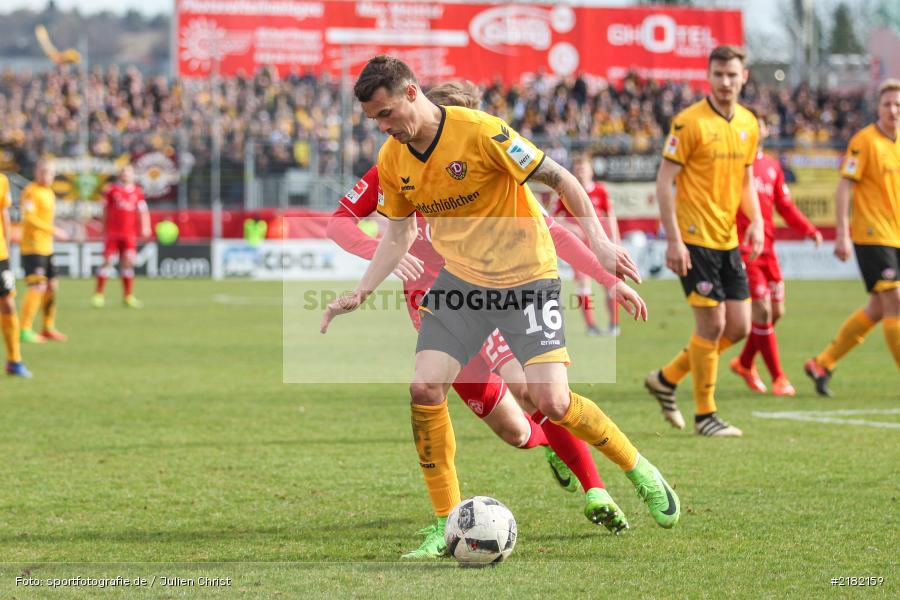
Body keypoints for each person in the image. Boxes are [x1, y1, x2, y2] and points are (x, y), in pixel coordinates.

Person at [321, 55, 681, 558]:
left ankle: (633, 467)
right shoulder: (392, 157)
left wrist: (601, 252)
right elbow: (397, 232)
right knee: (426, 387)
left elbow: (561, 184)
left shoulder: (485, 133)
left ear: (410, 94)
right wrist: (361, 291)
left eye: (384, 115)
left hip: (525, 279)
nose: (382, 128)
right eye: (373, 121)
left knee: (550, 401)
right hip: (459, 286)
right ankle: (446, 523)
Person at [644, 45, 764, 437]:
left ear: (743, 77)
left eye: (732, 74)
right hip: (695, 240)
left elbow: (747, 179)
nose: (725, 82)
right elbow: (665, 180)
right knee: (711, 325)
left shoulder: (749, 123)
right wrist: (674, 239)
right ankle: (705, 414)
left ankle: (667, 377)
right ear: (708, 76)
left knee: (740, 327)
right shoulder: (688, 122)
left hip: (728, 239)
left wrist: (757, 221)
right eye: (718, 74)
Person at [805, 79, 900, 394]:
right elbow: (845, 185)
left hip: (896, 235)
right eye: (887, 104)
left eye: (898, 104)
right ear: (878, 107)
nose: (893, 110)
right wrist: (842, 233)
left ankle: (822, 363)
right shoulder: (865, 141)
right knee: (895, 302)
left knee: (878, 308)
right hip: (872, 234)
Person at [730, 111, 822, 396]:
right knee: (763, 310)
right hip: (746, 250)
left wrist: (809, 229)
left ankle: (745, 362)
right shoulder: (734, 166)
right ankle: (779, 378)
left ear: (766, 130)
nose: (756, 129)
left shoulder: (771, 166)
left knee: (776, 312)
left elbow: (786, 206)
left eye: (761, 125)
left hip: (769, 251)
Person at [553, 153, 621, 336]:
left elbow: (610, 216)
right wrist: (570, 227)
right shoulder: (567, 192)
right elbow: (553, 219)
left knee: (610, 284)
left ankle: (614, 324)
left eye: (583, 168)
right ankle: (591, 326)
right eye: (577, 170)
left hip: (599, 246)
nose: (580, 172)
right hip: (579, 247)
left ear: (591, 171)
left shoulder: (600, 190)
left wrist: (615, 241)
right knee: (584, 285)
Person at [19, 158, 69, 343]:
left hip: (47, 247)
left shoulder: (49, 193)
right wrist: (54, 230)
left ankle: (48, 327)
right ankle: (24, 329)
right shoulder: (31, 192)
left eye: (49, 172)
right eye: (43, 171)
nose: (46, 175)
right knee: (37, 286)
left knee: (51, 286)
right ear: (36, 172)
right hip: (33, 247)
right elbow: (30, 218)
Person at [92, 164, 151, 308]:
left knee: (128, 262)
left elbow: (143, 211)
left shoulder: (137, 192)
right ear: (120, 175)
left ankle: (128, 296)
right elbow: (105, 211)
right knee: (107, 261)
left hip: (129, 234)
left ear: (133, 175)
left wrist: (146, 226)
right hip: (112, 233)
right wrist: (103, 228)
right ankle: (98, 295)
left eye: (128, 172)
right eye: (123, 172)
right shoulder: (112, 190)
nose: (126, 175)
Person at [0, 172, 31, 377]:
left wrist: (8, 248)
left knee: (8, 303)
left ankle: (14, 359)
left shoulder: (2, 180)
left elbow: (4, 214)